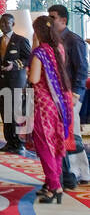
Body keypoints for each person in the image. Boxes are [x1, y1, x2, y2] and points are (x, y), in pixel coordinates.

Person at [28, 15, 74, 204]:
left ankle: (55, 186)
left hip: (44, 105)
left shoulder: (39, 53)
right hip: (60, 104)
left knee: (45, 146)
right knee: (56, 143)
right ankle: (52, 183)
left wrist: (33, 52)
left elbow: (34, 79)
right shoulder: (59, 48)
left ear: (38, 33)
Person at [49, 5, 88, 188]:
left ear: (63, 20)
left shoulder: (73, 40)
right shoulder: (53, 40)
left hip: (72, 94)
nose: (49, 20)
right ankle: (73, 171)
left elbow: (82, 68)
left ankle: (81, 172)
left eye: (53, 17)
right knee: (66, 134)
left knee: (73, 133)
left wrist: (76, 93)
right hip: (59, 95)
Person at [0, 11, 32, 154]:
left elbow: (28, 59)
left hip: (16, 82)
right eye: (1, 22)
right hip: (2, 83)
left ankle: (19, 143)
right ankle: (9, 142)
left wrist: (15, 65)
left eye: (6, 22)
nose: (3, 25)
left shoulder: (21, 40)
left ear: (13, 24)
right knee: (5, 113)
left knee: (16, 113)